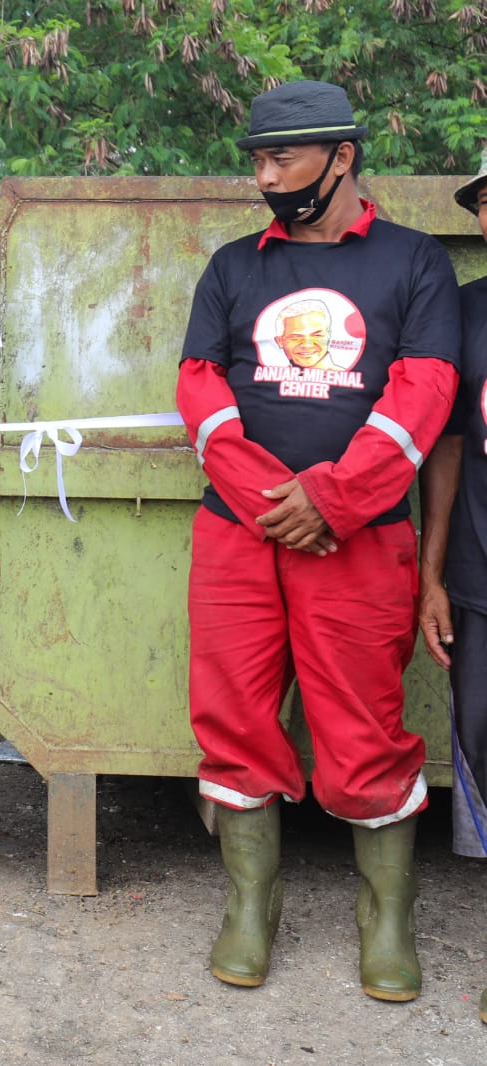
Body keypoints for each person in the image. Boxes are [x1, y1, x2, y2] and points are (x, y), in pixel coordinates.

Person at [177, 81, 460, 1002]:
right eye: (257, 159)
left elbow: (424, 392)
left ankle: (387, 920)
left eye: (280, 159)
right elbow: (199, 383)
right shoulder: (232, 267)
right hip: (240, 535)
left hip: (362, 540)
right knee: (235, 718)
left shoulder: (415, 265)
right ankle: (251, 908)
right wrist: (274, 496)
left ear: (341, 156)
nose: (263, 176)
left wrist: (335, 500)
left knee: (363, 729)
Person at [416, 149, 487, 1026]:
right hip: (476, 567)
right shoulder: (466, 313)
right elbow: (446, 448)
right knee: (477, 726)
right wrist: (431, 575)